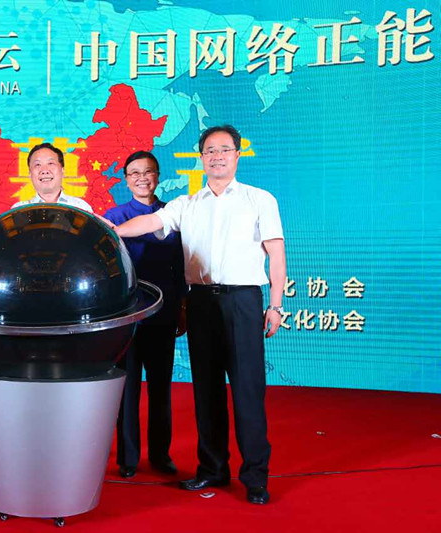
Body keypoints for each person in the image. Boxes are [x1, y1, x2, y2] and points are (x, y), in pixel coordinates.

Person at [112, 125, 286, 505]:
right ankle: (212, 469)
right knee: (206, 390)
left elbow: (276, 253)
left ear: (237, 155)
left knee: (247, 391)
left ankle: (255, 477)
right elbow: (150, 223)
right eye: (210, 150)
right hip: (201, 302)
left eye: (224, 149)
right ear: (201, 157)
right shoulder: (187, 204)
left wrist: (275, 304)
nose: (217, 156)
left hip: (243, 301)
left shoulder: (259, 199)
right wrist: (112, 230)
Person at [104, 151, 187, 479]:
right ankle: (128, 458)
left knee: (160, 387)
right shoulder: (114, 216)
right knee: (127, 389)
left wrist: (183, 306)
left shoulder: (172, 214)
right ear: (126, 180)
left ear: (158, 176)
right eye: (135, 173)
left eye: (148, 172)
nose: (142, 178)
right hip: (126, 317)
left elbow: (182, 265)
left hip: (163, 312)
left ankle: (160, 455)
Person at [11, 143, 93, 212]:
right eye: (37, 165)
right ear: (30, 173)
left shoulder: (81, 207)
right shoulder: (19, 210)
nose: (44, 170)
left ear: (62, 170)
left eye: (50, 163)